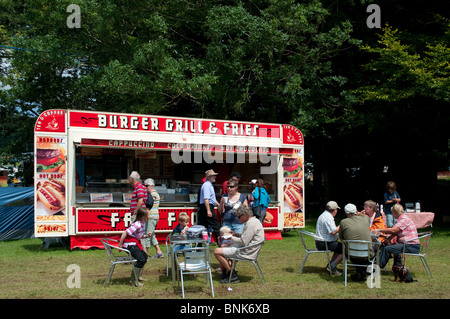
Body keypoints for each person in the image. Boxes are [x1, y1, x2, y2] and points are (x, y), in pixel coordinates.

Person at [213, 205, 264, 283]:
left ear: (245, 215)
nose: (238, 219)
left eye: (239, 217)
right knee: (224, 247)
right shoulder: (254, 221)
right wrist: (236, 234)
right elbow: (247, 237)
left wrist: (231, 238)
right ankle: (228, 273)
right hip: (249, 249)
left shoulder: (250, 224)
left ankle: (232, 274)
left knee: (216, 251)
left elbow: (243, 241)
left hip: (246, 252)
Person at [374, 204, 420, 269]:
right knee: (385, 247)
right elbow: (395, 233)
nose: (392, 214)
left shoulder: (403, 219)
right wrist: (386, 237)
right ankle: (377, 264)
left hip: (411, 245)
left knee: (387, 249)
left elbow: (393, 230)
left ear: (395, 212)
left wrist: (378, 230)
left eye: (392, 212)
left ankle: (376, 267)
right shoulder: (401, 219)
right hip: (408, 244)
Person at [339, 203, 374, 282]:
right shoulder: (366, 218)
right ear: (356, 211)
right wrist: (359, 213)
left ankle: (361, 273)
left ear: (345, 213)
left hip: (352, 254)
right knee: (373, 248)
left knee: (351, 251)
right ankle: (363, 272)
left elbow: (341, 238)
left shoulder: (343, 222)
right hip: (367, 254)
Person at [118, 207, 150, 287]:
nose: (150, 216)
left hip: (135, 243)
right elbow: (125, 232)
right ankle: (133, 280)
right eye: (149, 215)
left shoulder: (143, 223)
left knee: (145, 257)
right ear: (143, 217)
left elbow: (138, 236)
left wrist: (146, 236)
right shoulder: (137, 224)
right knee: (141, 259)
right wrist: (120, 244)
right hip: (130, 245)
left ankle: (138, 276)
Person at [315, 201, 343, 276]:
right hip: (323, 243)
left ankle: (331, 265)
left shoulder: (325, 215)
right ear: (335, 210)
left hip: (323, 241)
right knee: (345, 249)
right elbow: (333, 231)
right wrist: (342, 225)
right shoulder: (327, 217)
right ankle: (332, 267)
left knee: (339, 247)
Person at [198, 169, 221, 242]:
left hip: (206, 207)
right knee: (216, 226)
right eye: (214, 176)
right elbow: (206, 199)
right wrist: (208, 210)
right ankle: (220, 243)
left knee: (203, 227)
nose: (215, 177)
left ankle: (201, 244)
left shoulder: (208, 185)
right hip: (207, 207)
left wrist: (218, 205)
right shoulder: (207, 185)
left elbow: (212, 199)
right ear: (210, 176)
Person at [143, 178, 163, 258]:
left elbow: (148, 203)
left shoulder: (153, 194)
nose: (145, 187)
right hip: (152, 217)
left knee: (147, 235)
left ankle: (145, 254)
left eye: (146, 186)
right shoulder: (152, 193)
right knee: (152, 235)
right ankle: (159, 251)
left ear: (151, 186)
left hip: (152, 217)